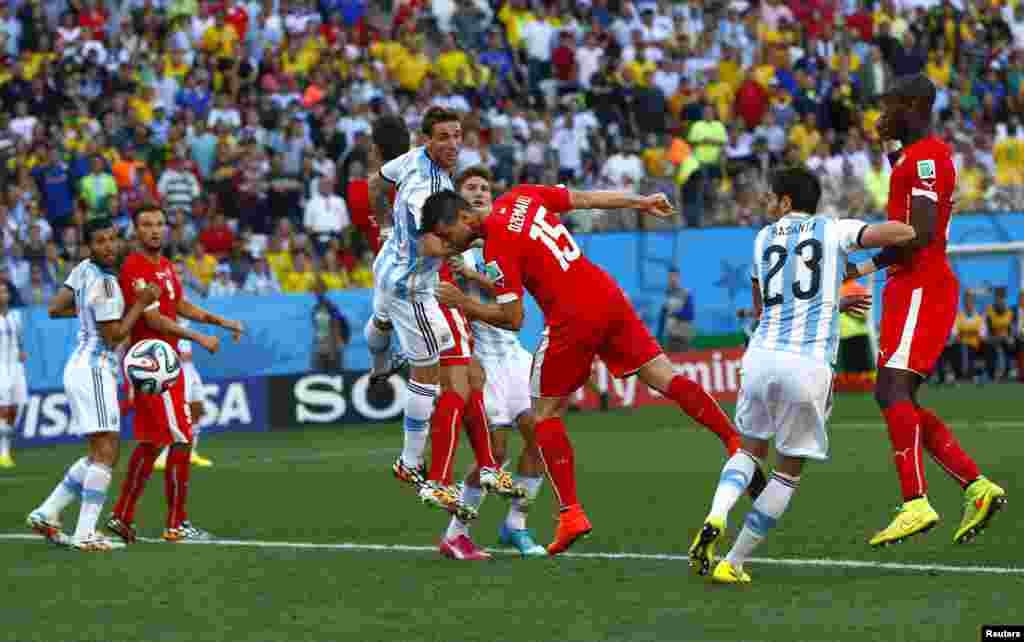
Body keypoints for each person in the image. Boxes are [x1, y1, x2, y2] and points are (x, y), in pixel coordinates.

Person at [422, 185, 760, 556]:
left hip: (571, 317)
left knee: (543, 414)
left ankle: (570, 513)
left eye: (445, 235)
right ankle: (733, 441)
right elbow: (582, 199)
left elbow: (514, 318)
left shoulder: (498, 245)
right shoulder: (520, 197)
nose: (446, 244)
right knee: (665, 376)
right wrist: (640, 201)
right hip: (604, 293)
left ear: (463, 218)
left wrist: (463, 303)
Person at [688, 166, 915, 584]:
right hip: (806, 363)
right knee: (786, 472)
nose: (765, 203)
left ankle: (716, 514)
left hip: (759, 358)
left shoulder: (761, 239)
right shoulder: (833, 229)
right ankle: (733, 561)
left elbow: (764, 309)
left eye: (771, 197)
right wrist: (920, 223)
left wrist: (829, 301)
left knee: (749, 449)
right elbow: (901, 235)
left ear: (787, 202)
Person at [850, 74, 1006, 547]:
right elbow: (913, 209)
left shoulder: (926, 158)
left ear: (914, 105)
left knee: (890, 388)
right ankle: (976, 487)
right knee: (901, 399)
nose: (883, 112)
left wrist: (861, 252)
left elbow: (917, 233)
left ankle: (916, 501)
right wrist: (889, 146)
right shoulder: (917, 158)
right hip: (910, 285)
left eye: (891, 104)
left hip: (921, 284)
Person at [362, 107, 478, 520]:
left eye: (456, 136)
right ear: (428, 139)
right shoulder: (428, 190)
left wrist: (387, 229)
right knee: (428, 373)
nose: (451, 144)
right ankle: (410, 462)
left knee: (398, 327)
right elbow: (432, 248)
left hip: (388, 262)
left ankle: (380, 358)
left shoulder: (412, 158)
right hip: (412, 286)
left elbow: (376, 182)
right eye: (443, 137)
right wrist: (473, 239)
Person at [104, 206, 244, 544]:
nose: (154, 230)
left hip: (165, 364)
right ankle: (176, 524)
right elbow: (152, 319)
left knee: (152, 443)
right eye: (146, 225)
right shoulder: (134, 268)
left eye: (159, 224)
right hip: (154, 366)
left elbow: (180, 306)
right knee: (181, 438)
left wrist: (220, 322)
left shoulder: (165, 266)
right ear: (136, 231)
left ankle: (122, 516)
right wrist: (198, 337)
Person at [26, 217, 159, 551]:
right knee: (106, 451)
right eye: (100, 241)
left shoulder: (83, 269)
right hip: (96, 367)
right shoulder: (109, 285)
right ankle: (85, 534)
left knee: (102, 451)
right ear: (89, 246)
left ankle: (48, 511)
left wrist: (93, 314)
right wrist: (139, 306)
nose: (108, 246)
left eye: (112, 239)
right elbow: (114, 337)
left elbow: (55, 309)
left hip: (80, 366)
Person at [437, 167, 545, 560]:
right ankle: (456, 533)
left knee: (540, 435)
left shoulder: (501, 241)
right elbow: (444, 293)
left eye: (485, 187)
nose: (480, 192)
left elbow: (515, 304)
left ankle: (516, 525)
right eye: (472, 188)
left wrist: (477, 278)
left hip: (514, 351)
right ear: (459, 198)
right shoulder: (449, 244)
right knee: (494, 453)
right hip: (480, 357)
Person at [0, 282, 26, 468]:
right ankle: (4, 452)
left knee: (19, 406)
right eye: (0, 292)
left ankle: (5, 446)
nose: (4, 294)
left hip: (16, 366)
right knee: (4, 408)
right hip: (1, 367)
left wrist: (22, 351)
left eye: (5, 291)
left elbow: (19, 340)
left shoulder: (16, 317)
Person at [984, 286, 1015, 381]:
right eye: (998, 298)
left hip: (1006, 339)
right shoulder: (989, 311)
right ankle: (994, 373)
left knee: (1010, 343)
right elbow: (987, 331)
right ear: (995, 299)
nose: (1001, 301)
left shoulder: (1010, 312)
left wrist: (1010, 337)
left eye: (1002, 298)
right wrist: (997, 337)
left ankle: (1008, 371)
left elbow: (1012, 330)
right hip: (993, 339)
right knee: (994, 346)